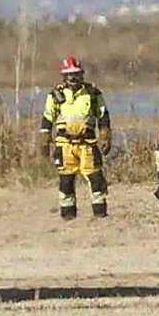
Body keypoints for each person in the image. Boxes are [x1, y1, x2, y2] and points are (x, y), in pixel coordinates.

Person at [38, 56, 112, 219]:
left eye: (77, 74)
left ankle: (100, 214)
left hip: (88, 144)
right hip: (65, 145)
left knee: (96, 179)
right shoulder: (55, 95)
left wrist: (106, 136)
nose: (73, 78)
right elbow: (47, 118)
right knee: (66, 181)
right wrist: (44, 140)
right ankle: (68, 215)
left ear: (82, 74)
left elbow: (103, 116)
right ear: (64, 76)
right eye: (69, 75)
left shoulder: (93, 93)